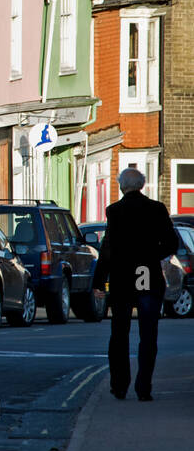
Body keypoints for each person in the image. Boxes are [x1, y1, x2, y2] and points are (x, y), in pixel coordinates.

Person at [92, 167, 181, 401]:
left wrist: (99, 281)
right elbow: (172, 243)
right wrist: (152, 255)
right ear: (142, 186)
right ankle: (144, 387)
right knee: (148, 334)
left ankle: (119, 385)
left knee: (119, 334)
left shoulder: (114, 211)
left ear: (122, 186)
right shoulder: (157, 209)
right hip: (147, 274)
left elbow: (107, 249)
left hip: (122, 277)